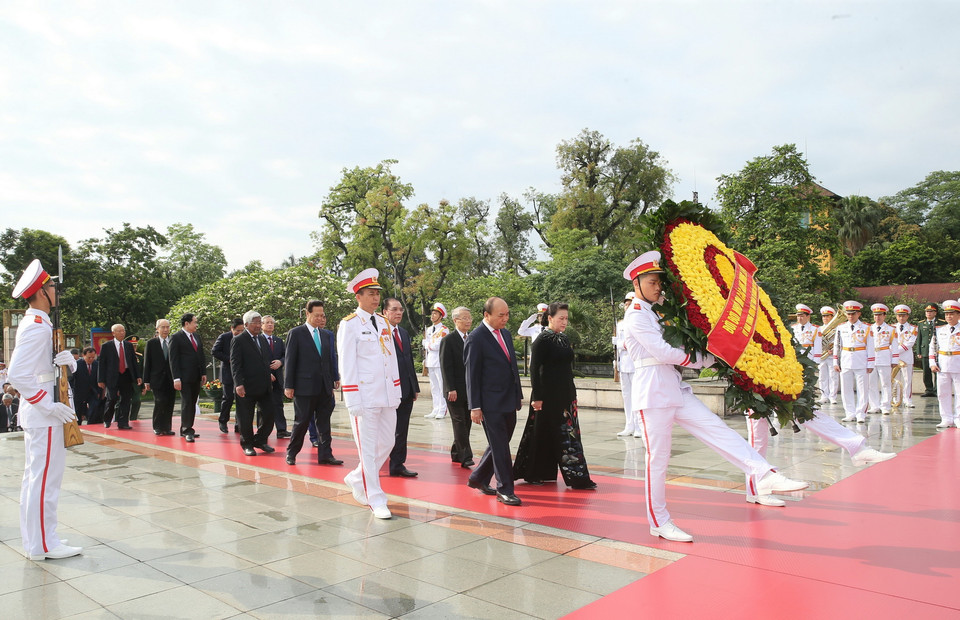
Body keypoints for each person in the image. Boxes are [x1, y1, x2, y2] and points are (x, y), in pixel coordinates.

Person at [621, 251, 808, 543]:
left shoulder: (657, 310)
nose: (658, 287)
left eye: (659, 282)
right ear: (637, 284)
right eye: (652, 282)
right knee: (658, 460)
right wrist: (707, 359)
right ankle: (659, 521)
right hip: (653, 393)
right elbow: (663, 352)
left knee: (717, 429)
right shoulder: (635, 315)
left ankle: (764, 473)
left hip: (674, 387)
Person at [8, 259, 82, 560]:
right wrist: (48, 405)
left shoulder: (39, 324)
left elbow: (42, 369)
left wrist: (68, 363)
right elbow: (17, 374)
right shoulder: (37, 327)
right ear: (42, 292)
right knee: (45, 483)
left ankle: (39, 539)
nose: (56, 291)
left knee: (37, 480)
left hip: (43, 415)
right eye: (52, 286)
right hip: (44, 415)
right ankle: (43, 545)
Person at [339, 268, 401, 519]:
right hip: (364, 397)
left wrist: (396, 390)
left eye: (377, 294)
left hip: (386, 394)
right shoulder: (350, 324)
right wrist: (352, 398)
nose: (376, 298)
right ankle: (375, 498)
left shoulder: (384, 322)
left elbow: (391, 358)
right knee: (367, 449)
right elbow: (347, 363)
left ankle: (357, 477)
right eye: (370, 294)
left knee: (387, 442)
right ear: (358, 297)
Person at [514, 302, 596, 490]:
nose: (564, 322)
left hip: (565, 394)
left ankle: (553, 474)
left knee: (566, 433)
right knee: (542, 433)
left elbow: (566, 367)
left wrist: (572, 392)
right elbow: (535, 369)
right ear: (550, 318)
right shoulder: (542, 340)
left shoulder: (564, 338)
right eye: (561, 318)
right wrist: (537, 396)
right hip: (547, 395)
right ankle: (541, 474)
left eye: (566, 318)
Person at [465, 297, 524, 506]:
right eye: (501, 315)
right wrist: (475, 406)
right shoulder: (476, 338)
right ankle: (505, 489)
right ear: (486, 315)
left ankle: (478, 478)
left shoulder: (505, 334)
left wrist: (518, 394)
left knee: (500, 443)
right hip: (489, 403)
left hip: (508, 398)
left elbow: (511, 367)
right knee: (501, 447)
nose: (505, 319)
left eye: (507, 314)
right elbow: (471, 375)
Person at [283, 300, 341, 466]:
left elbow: (330, 359)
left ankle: (326, 455)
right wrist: (289, 385)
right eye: (316, 315)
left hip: (324, 386)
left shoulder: (325, 334)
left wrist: (334, 377)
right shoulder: (296, 333)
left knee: (324, 423)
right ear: (307, 313)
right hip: (304, 388)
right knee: (301, 422)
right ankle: (292, 453)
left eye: (322, 315)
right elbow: (290, 360)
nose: (320, 318)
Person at [230, 311, 276, 456]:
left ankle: (260, 440)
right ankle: (247, 444)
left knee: (269, 414)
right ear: (246, 324)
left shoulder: (262, 339)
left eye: (259, 322)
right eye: (255, 322)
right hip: (246, 386)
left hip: (264, 384)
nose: (258, 325)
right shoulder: (239, 340)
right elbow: (235, 364)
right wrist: (238, 384)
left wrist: (268, 374)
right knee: (245, 418)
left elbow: (264, 360)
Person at [384, 297, 420, 477]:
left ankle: (398, 464)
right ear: (385, 312)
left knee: (402, 429)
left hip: (406, 390)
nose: (398, 313)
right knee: (385, 431)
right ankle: (376, 464)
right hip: (387, 390)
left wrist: (415, 387)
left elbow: (409, 361)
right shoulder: (380, 334)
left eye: (401, 310)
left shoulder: (403, 333)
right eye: (394, 309)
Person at [440, 306, 474, 468]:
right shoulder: (448, 340)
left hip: (469, 390)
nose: (468, 321)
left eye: (469, 318)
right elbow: (445, 366)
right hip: (454, 390)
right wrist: (450, 388)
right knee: (459, 422)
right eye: (464, 318)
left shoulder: (472, 339)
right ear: (455, 320)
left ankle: (456, 453)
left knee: (467, 422)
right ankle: (466, 456)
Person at [833, 301, 875, 423]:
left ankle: (861, 413)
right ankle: (850, 413)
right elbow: (837, 345)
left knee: (863, 389)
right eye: (849, 313)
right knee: (846, 388)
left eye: (853, 313)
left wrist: (871, 363)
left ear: (859, 314)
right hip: (846, 359)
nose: (850, 316)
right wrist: (836, 361)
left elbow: (870, 346)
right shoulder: (841, 327)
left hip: (861, 360)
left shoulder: (866, 327)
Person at [168, 312, 207, 442]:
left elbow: (200, 355)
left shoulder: (196, 336)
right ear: (187, 323)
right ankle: (186, 430)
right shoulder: (176, 337)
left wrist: (203, 373)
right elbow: (173, 360)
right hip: (184, 377)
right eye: (194, 322)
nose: (196, 325)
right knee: (187, 403)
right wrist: (176, 378)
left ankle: (187, 427)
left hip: (196, 376)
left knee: (193, 402)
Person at [97, 324, 141, 429]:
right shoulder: (107, 346)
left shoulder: (128, 345)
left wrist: (137, 376)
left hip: (126, 375)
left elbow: (133, 362)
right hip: (112, 376)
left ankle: (123, 422)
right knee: (112, 398)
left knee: (126, 399)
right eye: (119, 331)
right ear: (113, 333)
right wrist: (101, 379)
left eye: (123, 331)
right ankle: (107, 419)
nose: (122, 333)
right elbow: (102, 364)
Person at [930, 300, 960, 429]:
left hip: (958, 364)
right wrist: (932, 363)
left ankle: (958, 418)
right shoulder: (939, 330)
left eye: (952, 314)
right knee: (942, 393)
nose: (949, 316)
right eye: (947, 314)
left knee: (959, 393)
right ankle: (946, 418)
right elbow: (932, 347)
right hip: (942, 364)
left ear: (958, 315)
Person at [142, 319, 176, 436]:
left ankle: (167, 427)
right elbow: (147, 363)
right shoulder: (151, 343)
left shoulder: (174, 341)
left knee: (170, 403)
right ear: (157, 329)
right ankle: (157, 426)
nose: (166, 329)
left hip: (171, 379)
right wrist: (146, 380)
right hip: (157, 379)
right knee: (160, 401)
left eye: (167, 327)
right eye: (163, 327)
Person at [615, 292, 640, 438]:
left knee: (637, 396)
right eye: (626, 304)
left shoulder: (638, 322)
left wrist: (622, 344)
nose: (627, 306)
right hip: (624, 364)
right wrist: (616, 363)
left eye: (630, 304)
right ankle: (629, 425)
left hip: (635, 363)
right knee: (627, 396)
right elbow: (618, 345)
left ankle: (638, 427)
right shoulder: (620, 324)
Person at [212, 318, 244, 433]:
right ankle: (223, 421)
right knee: (228, 398)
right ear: (232, 328)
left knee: (241, 399)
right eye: (237, 331)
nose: (240, 333)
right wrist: (229, 359)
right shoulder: (224, 337)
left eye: (242, 330)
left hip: (241, 373)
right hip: (228, 373)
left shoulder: (245, 338)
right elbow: (215, 351)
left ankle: (238, 424)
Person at [260, 315, 288, 437]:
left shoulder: (278, 340)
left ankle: (281, 430)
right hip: (263, 378)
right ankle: (262, 432)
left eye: (272, 322)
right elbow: (257, 359)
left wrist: (280, 362)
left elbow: (286, 355)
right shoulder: (258, 340)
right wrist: (267, 373)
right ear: (261, 325)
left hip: (278, 378)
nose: (270, 325)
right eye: (267, 322)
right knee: (263, 407)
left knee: (278, 404)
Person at [868, 303, 897, 415]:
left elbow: (894, 345)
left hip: (884, 357)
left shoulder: (890, 329)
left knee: (885, 383)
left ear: (884, 316)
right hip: (871, 358)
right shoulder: (868, 328)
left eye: (880, 315)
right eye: (875, 315)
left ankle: (885, 406)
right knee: (871, 383)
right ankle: (874, 405)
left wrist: (895, 360)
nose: (877, 317)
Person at [423, 302, 449, 419]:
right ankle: (435, 409)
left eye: (435, 314)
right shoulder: (429, 329)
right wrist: (428, 344)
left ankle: (442, 409)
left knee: (441, 386)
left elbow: (437, 346)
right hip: (430, 361)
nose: (432, 316)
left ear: (441, 316)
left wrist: (427, 344)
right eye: (432, 314)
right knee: (434, 387)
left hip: (439, 361)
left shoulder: (444, 330)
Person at [893, 305, 918, 408]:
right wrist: (893, 351)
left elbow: (910, 343)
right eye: (899, 316)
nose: (901, 318)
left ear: (907, 316)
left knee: (907, 379)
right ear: (896, 316)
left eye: (903, 316)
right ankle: (896, 398)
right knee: (895, 379)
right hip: (894, 357)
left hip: (906, 356)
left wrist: (896, 350)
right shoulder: (891, 328)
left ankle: (907, 399)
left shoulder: (913, 328)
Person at [917, 303, 943, 397]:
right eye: (927, 311)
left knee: (937, 371)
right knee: (926, 372)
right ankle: (929, 389)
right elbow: (919, 338)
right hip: (925, 350)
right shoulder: (921, 323)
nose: (929, 313)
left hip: (937, 351)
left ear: (935, 313)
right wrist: (919, 351)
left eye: (931, 311)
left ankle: (936, 390)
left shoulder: (941, 323)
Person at [70, 347, 99, 425]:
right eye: (89, 357)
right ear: (83, 355)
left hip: (92, 391)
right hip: (79, 391)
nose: (91, 359)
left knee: (94, 407)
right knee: (78, 411)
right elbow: (71, 379)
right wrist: (72, 390)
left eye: (93, 357)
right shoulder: (77, 364)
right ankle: (78, 426)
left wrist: (99, 391)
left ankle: (91, 424)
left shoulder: (96, 364)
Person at [817, 306, 840, 405]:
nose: (825, 318)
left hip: (831, 356)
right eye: (824, 316)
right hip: (822, 355)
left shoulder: (837, 329)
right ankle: (824, 395)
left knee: (833, 376)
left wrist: (833, 350)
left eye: (827, 316)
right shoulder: (819, 329)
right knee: (822, 376)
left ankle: (832, 396)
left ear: (832, 317)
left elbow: (838, 343)